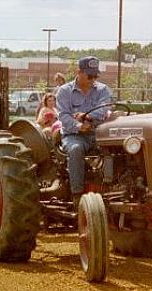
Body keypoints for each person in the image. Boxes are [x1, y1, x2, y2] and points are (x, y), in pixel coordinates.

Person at [56, 56, 112, 208]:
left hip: (97, 134)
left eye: (95, 76)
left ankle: (110, 189)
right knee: (75, 149)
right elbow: (63, 116)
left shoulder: (103, 90)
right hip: (74, 135)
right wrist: (78, 126)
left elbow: (104, 109)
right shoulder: (64, 91)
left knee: (114, 149)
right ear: (79, 72)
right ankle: (77, 196)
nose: (93, 79)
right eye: (89, 75)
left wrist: (86, 116)